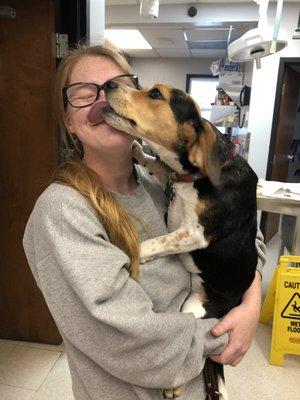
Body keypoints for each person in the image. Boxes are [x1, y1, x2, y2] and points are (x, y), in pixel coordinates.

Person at [23, 41, 266, 400]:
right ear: (68, 122)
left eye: (118, 84)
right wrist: (226, 334)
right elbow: (129, 341)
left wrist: (251, 302)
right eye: (83, 93)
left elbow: (243, 234)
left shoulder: (164, 179)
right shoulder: (62, 214)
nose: (105, 97)